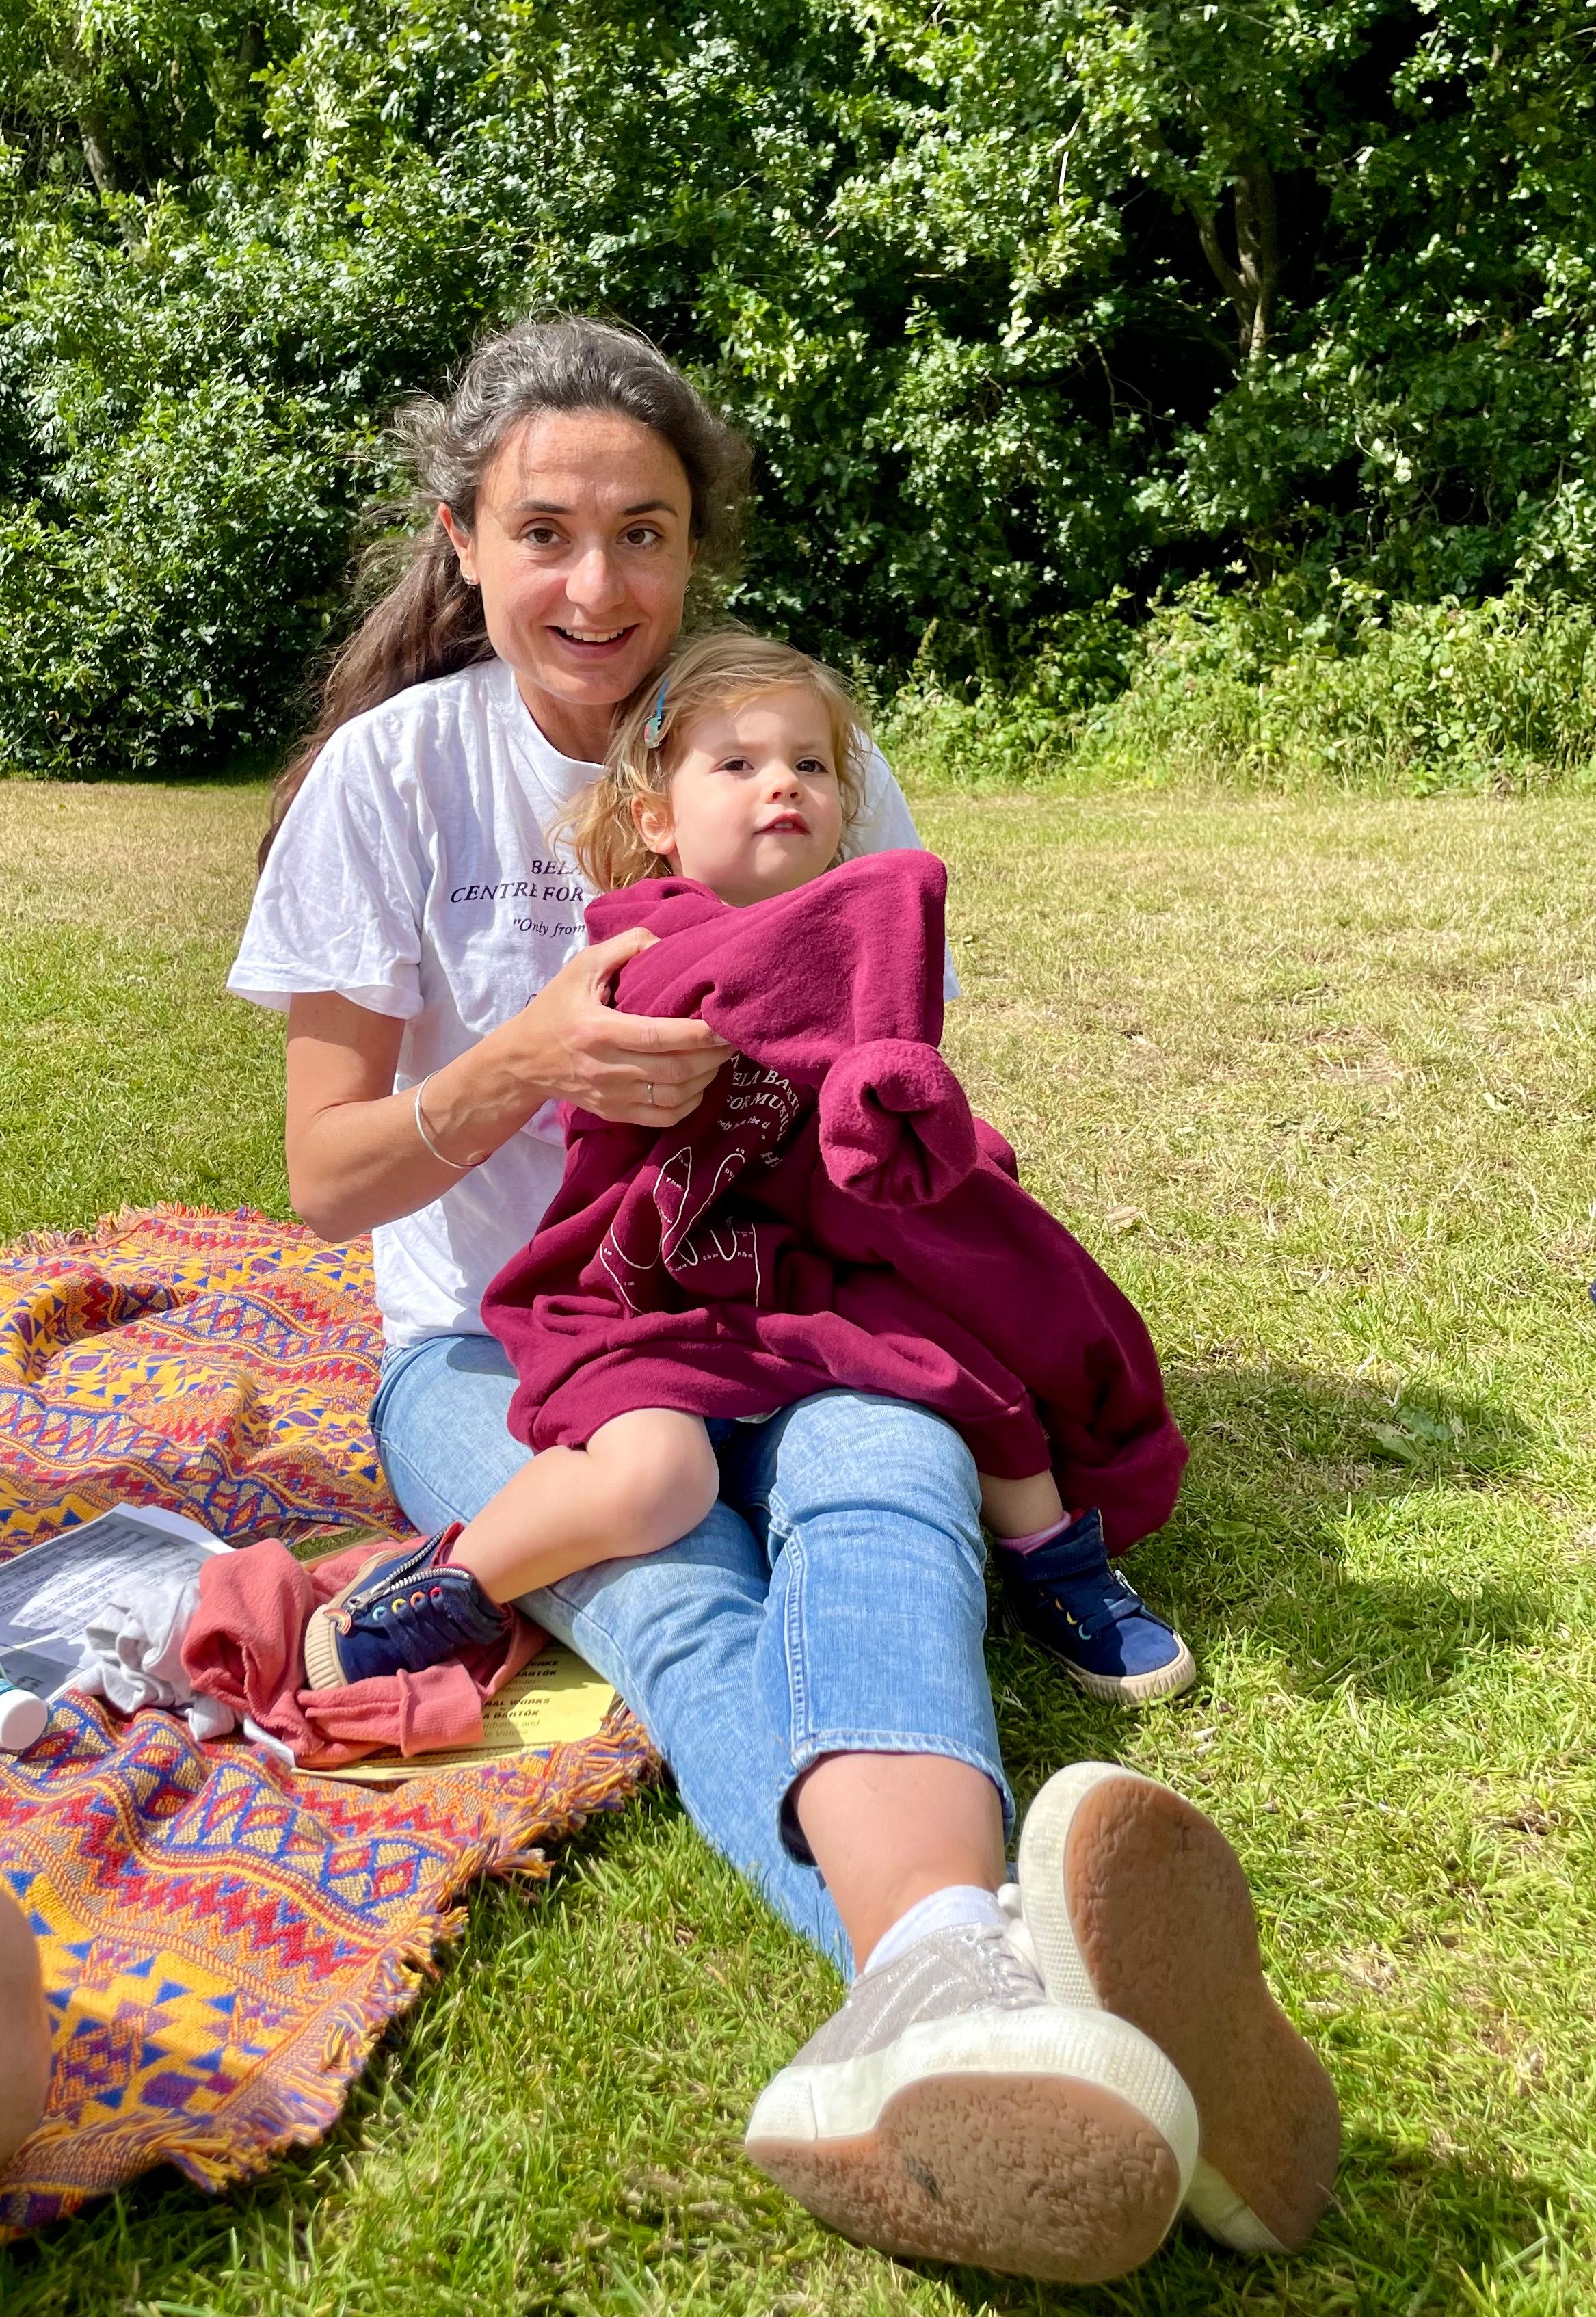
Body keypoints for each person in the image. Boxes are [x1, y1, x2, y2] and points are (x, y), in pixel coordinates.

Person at [230, 315, 1338, 2282]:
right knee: (671, 1583)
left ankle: (954, 1999)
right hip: (498, 1336)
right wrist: (525, 1062)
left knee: (889, 1464)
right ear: (460, 540)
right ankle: (976, 1965)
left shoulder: (793, 744)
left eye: (643, 533)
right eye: (545, 532)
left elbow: (877, 1098)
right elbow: (326, 1179)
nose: (597, 587)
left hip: (790, 1292)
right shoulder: (387, 779)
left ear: (695, 549)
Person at [300, 629, 1195, 1710]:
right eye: (738, 765)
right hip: (646, 1290)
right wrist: (871, 913)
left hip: (811, 1272)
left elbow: (880, 1075)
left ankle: (1058, 1564)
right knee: (656, 1482)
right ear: (656, 822)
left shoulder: (847, 943)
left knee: (975, 1379)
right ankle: (448, 1587)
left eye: (810, 767)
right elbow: (737, 973)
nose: (783, 784)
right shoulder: (645, 939)